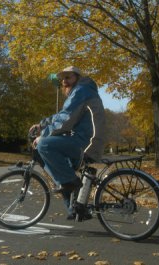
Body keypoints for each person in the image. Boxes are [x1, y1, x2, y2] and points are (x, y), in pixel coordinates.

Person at [30, 66, 105, 218]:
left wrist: (42, 134)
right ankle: (76, 208)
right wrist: (42, 124)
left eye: (68, 77)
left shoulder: (81, 91)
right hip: (82, 139)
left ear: (77, 77)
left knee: (44, 145)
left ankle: (70, 184)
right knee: (61, 172)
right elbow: (63, 115)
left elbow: (65, 122)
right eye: (63, 78)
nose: (64, 81)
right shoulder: (79, 92)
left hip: (88, 143)